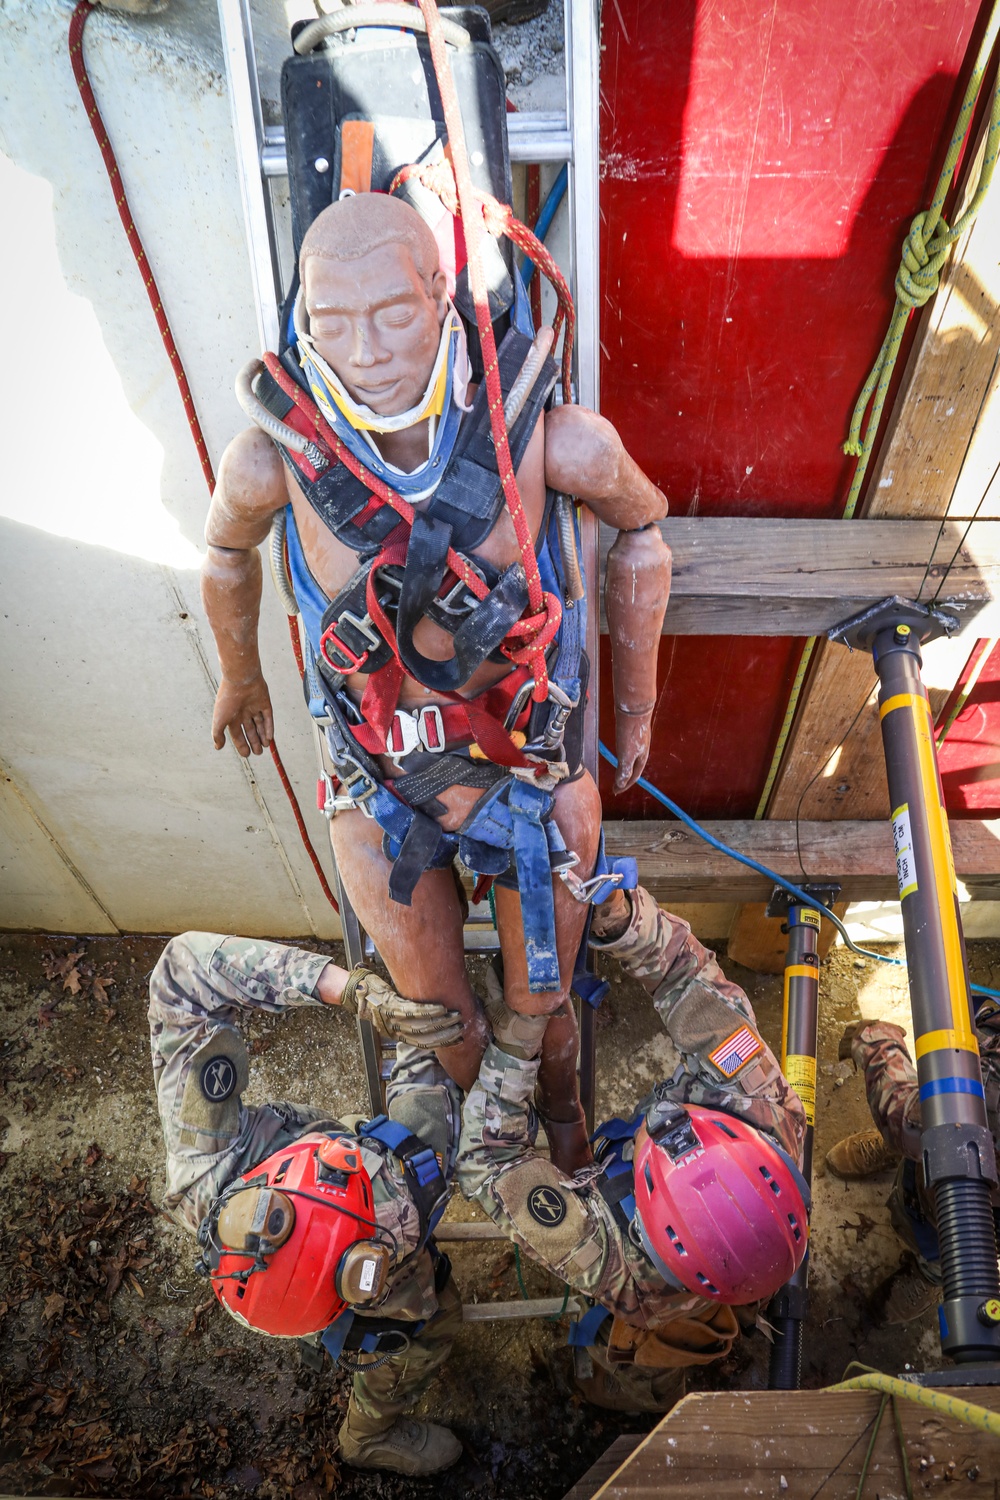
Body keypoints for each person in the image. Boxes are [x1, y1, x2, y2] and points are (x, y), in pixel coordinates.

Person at [201, 191, 671, 1173]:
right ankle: (481, 1137)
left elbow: (644, 530)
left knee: (544, 1001)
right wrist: (237, 678)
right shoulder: (269, 463)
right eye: (333, 323)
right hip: (381, 785)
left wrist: (634, 706)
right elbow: (226, 559)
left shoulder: (553, 437)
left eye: (392, 314)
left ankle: (555, 1099)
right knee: (432, 1009)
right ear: (304, 318)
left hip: (531, 769)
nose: (364, 349)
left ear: (441, 295)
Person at [457, 883, 809, 1411]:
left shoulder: (618, 1268)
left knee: (645, 1363)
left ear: (646, 1218)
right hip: (738, 1267)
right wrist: (624, 923)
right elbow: (687, 977)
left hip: (664, 1303)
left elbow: (485, 1163)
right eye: (680, 1125)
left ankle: (633, 1393)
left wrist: (518, 1040)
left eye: (659, 1138)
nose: (662, 1117)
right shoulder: (759, 1103)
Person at [148, 931, 470, 1475]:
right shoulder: (392, 1222)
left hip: (312, 1237)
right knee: (431, 1318)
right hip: (370, 1245)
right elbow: (424, 1124)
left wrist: (345, 989)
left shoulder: (204, 1160)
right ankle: (368, 1435)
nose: (344, 1163)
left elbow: (184, 969)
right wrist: (429, 1031)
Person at [825, 1012, 1000, 1324]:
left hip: (976, 1212)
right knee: (927, 1125)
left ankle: (931, 1273)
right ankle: (901, 1150)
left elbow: (911, 1117)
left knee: (954, 1243)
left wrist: (874, 1040)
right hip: (955, 1134)